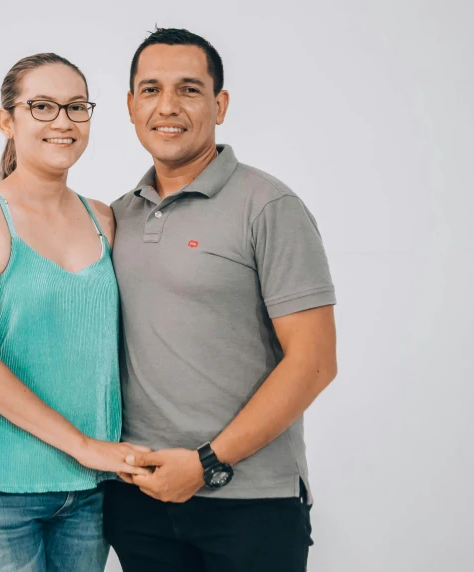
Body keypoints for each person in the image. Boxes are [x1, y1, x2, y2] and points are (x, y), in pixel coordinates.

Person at [103, 28, 338, 572]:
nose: (168, 106)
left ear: (220, 103)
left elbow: (315, 362)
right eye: (150, 89)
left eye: (188, 89)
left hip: (251, 502)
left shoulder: (269, 206)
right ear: (131, 107)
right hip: (139, 499)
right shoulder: (117, 216)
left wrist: (207, 463)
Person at [0, 52, 150, 572]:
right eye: (43, 106)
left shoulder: (104, 218)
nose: (63, 122)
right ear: (8, 120)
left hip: (88, 492)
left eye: (77, 108)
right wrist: (84, 445)